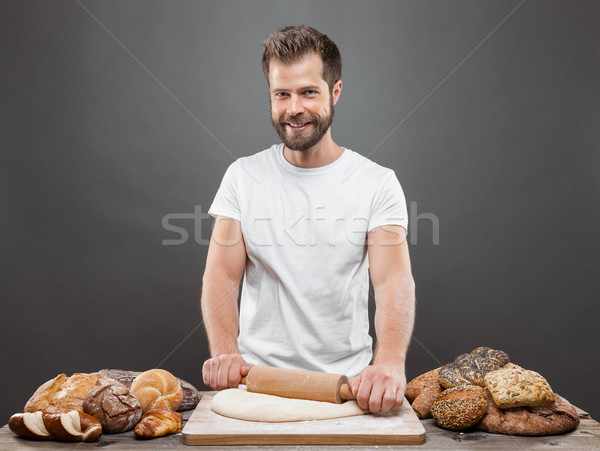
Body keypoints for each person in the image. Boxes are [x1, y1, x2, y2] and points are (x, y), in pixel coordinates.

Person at [201, 25, 415, 414]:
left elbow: (392, 282)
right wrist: (225, 353)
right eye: (282, 94)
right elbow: (222, 276)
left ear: (335, 92)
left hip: (349, 388)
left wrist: (388, 363)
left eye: (308, 92)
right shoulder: (242, 176)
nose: (294, 108)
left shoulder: (378, 183)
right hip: (255, 385)